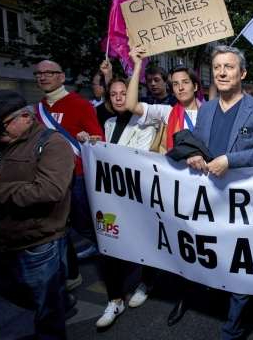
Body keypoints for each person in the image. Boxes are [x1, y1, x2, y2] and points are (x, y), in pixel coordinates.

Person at [186, 45, 253, 339]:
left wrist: (231, 160)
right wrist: (193, 156)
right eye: (216, 68)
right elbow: (198, 146)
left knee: (240, 263)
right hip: (210, 199)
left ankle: (233, 330)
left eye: (228, 67)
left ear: (243, 73)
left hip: (243, 201)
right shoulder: (207, 109)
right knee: (215, 253)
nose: (222, 73)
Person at [0, 90, 76, 338]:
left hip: (36, 244)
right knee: (5, 288)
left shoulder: (52, 143)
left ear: (25, 116)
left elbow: (48, 190)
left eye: (0, 126)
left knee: (46, 308)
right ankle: (57, 299)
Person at [125, 47, 202, 325]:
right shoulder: (168, 112)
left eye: (185, 83)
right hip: (177, 191)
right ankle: (183, 297)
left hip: (207, 193)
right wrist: (137, 66)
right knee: (181, 245)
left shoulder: (211, 112)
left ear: (195, 85)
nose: (180, 88)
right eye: (175, 84)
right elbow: (132, 105)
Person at [78, 77, 156, 328]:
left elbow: (138, 160)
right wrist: (89, 143)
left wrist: (104, 152)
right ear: (108, 99)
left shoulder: (145, 124)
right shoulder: (109, 123)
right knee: (111, 246)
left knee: (144, 243)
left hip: (136, 197)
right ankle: (115, 300)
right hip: (111, 199)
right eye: (114, 94)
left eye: (124, 92)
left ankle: (147, 281)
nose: (120, 98)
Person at [34, 60, 104, 287]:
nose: (43, 77)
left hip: (78, 175)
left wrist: (88, 138)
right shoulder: (38, 110)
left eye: (49, 73)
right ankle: (69, 271)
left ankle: (106, 246)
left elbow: (98, 139)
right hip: (48, 178)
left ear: (62, 77)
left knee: (83, 221)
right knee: (59, 225)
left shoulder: (81, 105)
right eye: (39, 74)